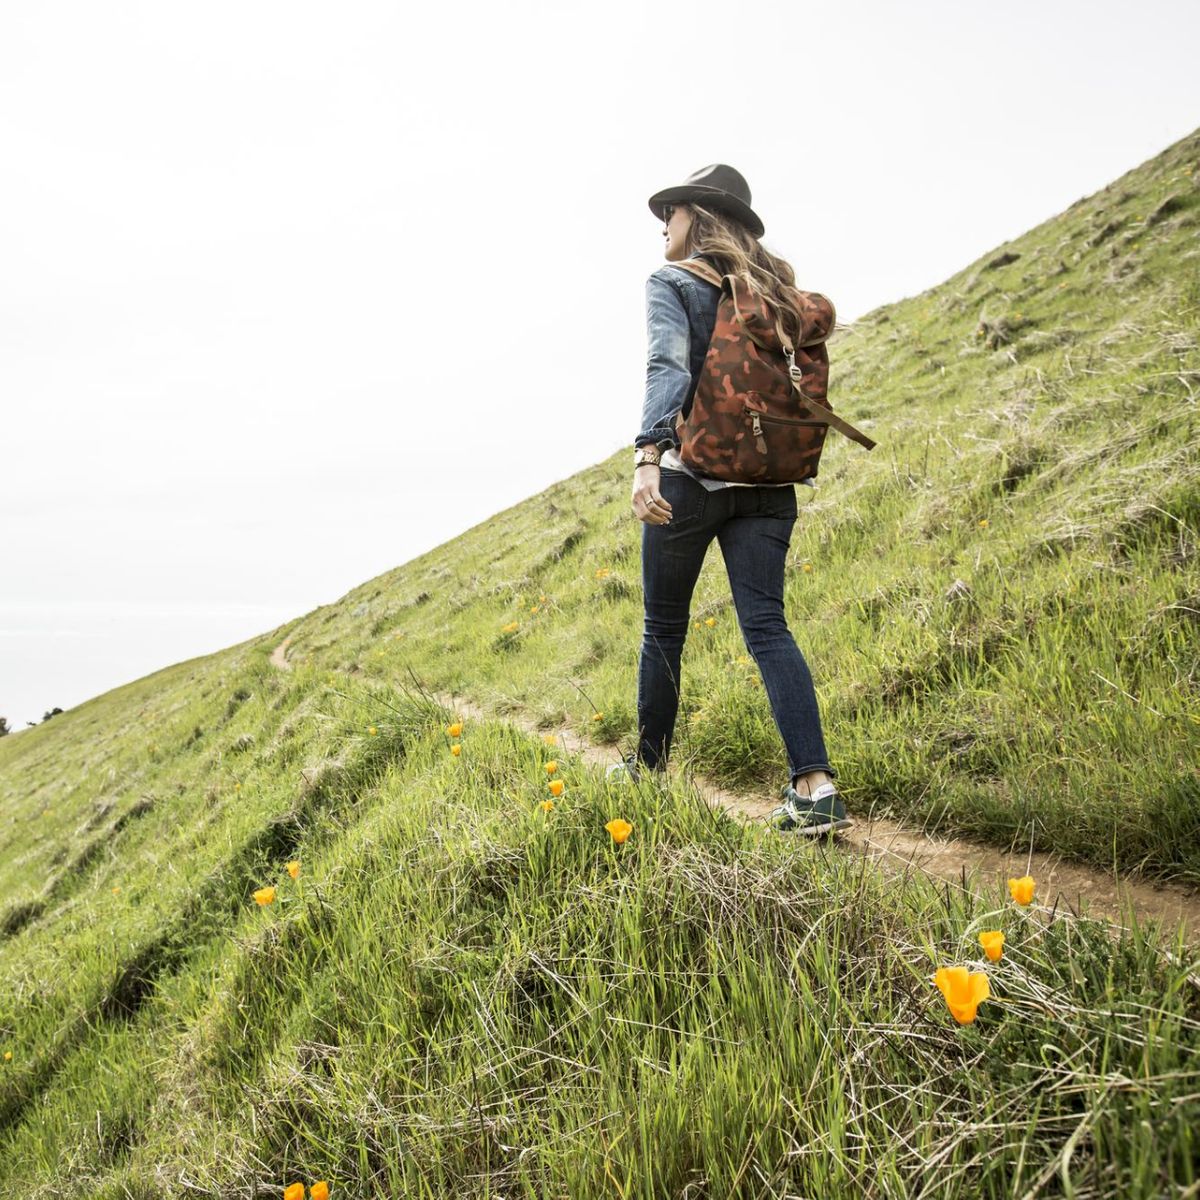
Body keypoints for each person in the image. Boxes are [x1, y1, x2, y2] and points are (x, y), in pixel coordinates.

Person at [605, 164, 852, 837]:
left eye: (673, 211)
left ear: (701, 218)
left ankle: (649, 770)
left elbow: (669, 367)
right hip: (770, 488)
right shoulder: (778, 294)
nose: (663, 224)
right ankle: (816, 786)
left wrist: (648, 458)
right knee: (769, 629)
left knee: (664, 627)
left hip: (691, 476)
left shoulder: (674, 282)